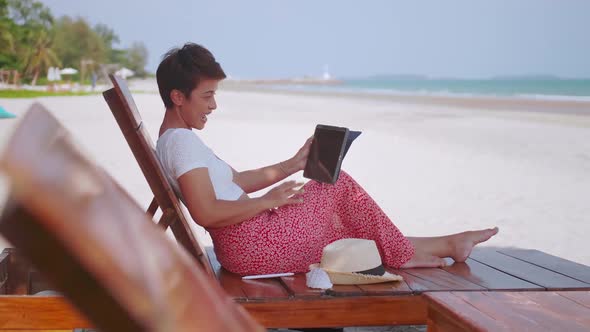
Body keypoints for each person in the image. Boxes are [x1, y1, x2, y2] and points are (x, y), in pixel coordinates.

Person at [155, 43, 499, 276]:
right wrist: (267, 203)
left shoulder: (177, 141)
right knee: (336, 185)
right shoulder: (182, 144)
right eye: (208, 95)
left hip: (247, 242)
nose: (214, 105)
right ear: (178, 97)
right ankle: (407, 254)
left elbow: (235, 182)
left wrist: (293, 163)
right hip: (251, 246)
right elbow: (207, 213)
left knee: (337, 207)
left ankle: (446, 243)